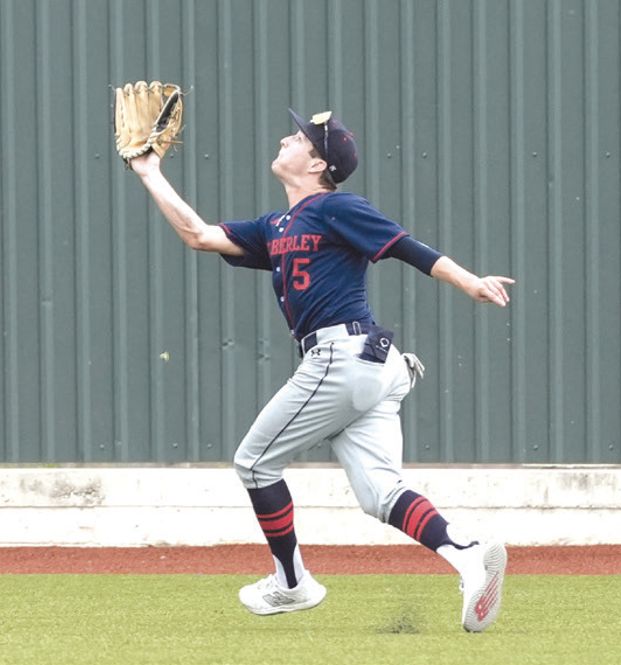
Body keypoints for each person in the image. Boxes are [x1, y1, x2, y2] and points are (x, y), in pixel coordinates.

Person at [129, 108, 514, 632]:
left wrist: (468, 281)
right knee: (381, 494)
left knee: (255, 462)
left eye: (299, 138)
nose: (287, 138)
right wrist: (150, 171)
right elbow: (198, 234)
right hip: (371, 365)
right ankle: (466, 552)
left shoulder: (337, 206)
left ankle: (291, 582)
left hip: (343, 358)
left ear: (316, 163)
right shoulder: (276, 225)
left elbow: (404, 246)